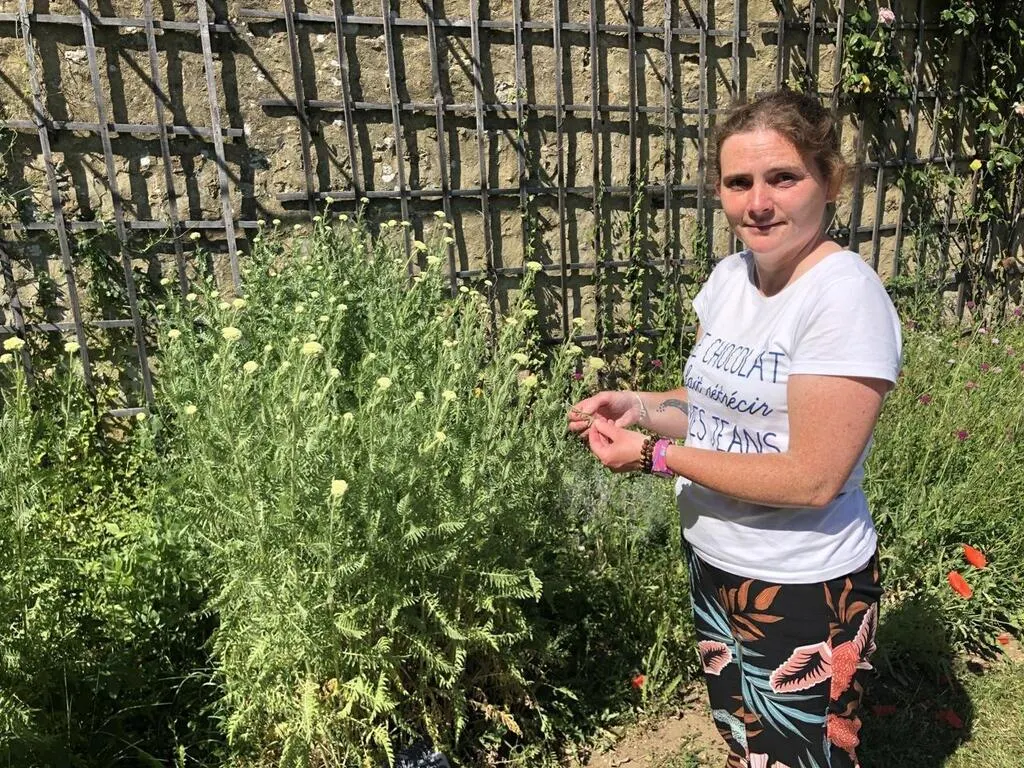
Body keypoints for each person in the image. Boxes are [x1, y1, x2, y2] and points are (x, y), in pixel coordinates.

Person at [567, 89, 902, 768]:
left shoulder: (843, 298)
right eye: (738, 182)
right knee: (746, 742)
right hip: (717, 558)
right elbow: (711, 408)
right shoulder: (730, 278)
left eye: (783, 177)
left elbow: (812, 479)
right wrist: (639, 406)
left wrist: (657, 455)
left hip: (802, 584)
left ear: (830, 180)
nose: (758, 203)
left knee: (804, 755)